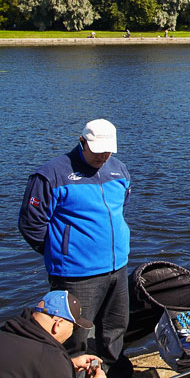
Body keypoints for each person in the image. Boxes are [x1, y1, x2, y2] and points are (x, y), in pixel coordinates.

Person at [18, 119, 132, 376]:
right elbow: (31, 224)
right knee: (75, 338)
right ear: (82, 142)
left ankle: (111, 371)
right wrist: (62, 252)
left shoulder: (119, 170)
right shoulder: (51, 174)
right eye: (96, 149)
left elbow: (119, 208)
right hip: (75, 274)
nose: (102, 156)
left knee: (116, 327)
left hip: (117, 267)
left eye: (107, 150)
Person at [0, 290, 106, 378]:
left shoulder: (5, 329)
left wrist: (69, 363)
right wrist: (60, 365)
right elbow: (44, 362)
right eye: (74, 327)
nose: (73, 332)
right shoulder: (51, 358)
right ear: (58, 324)